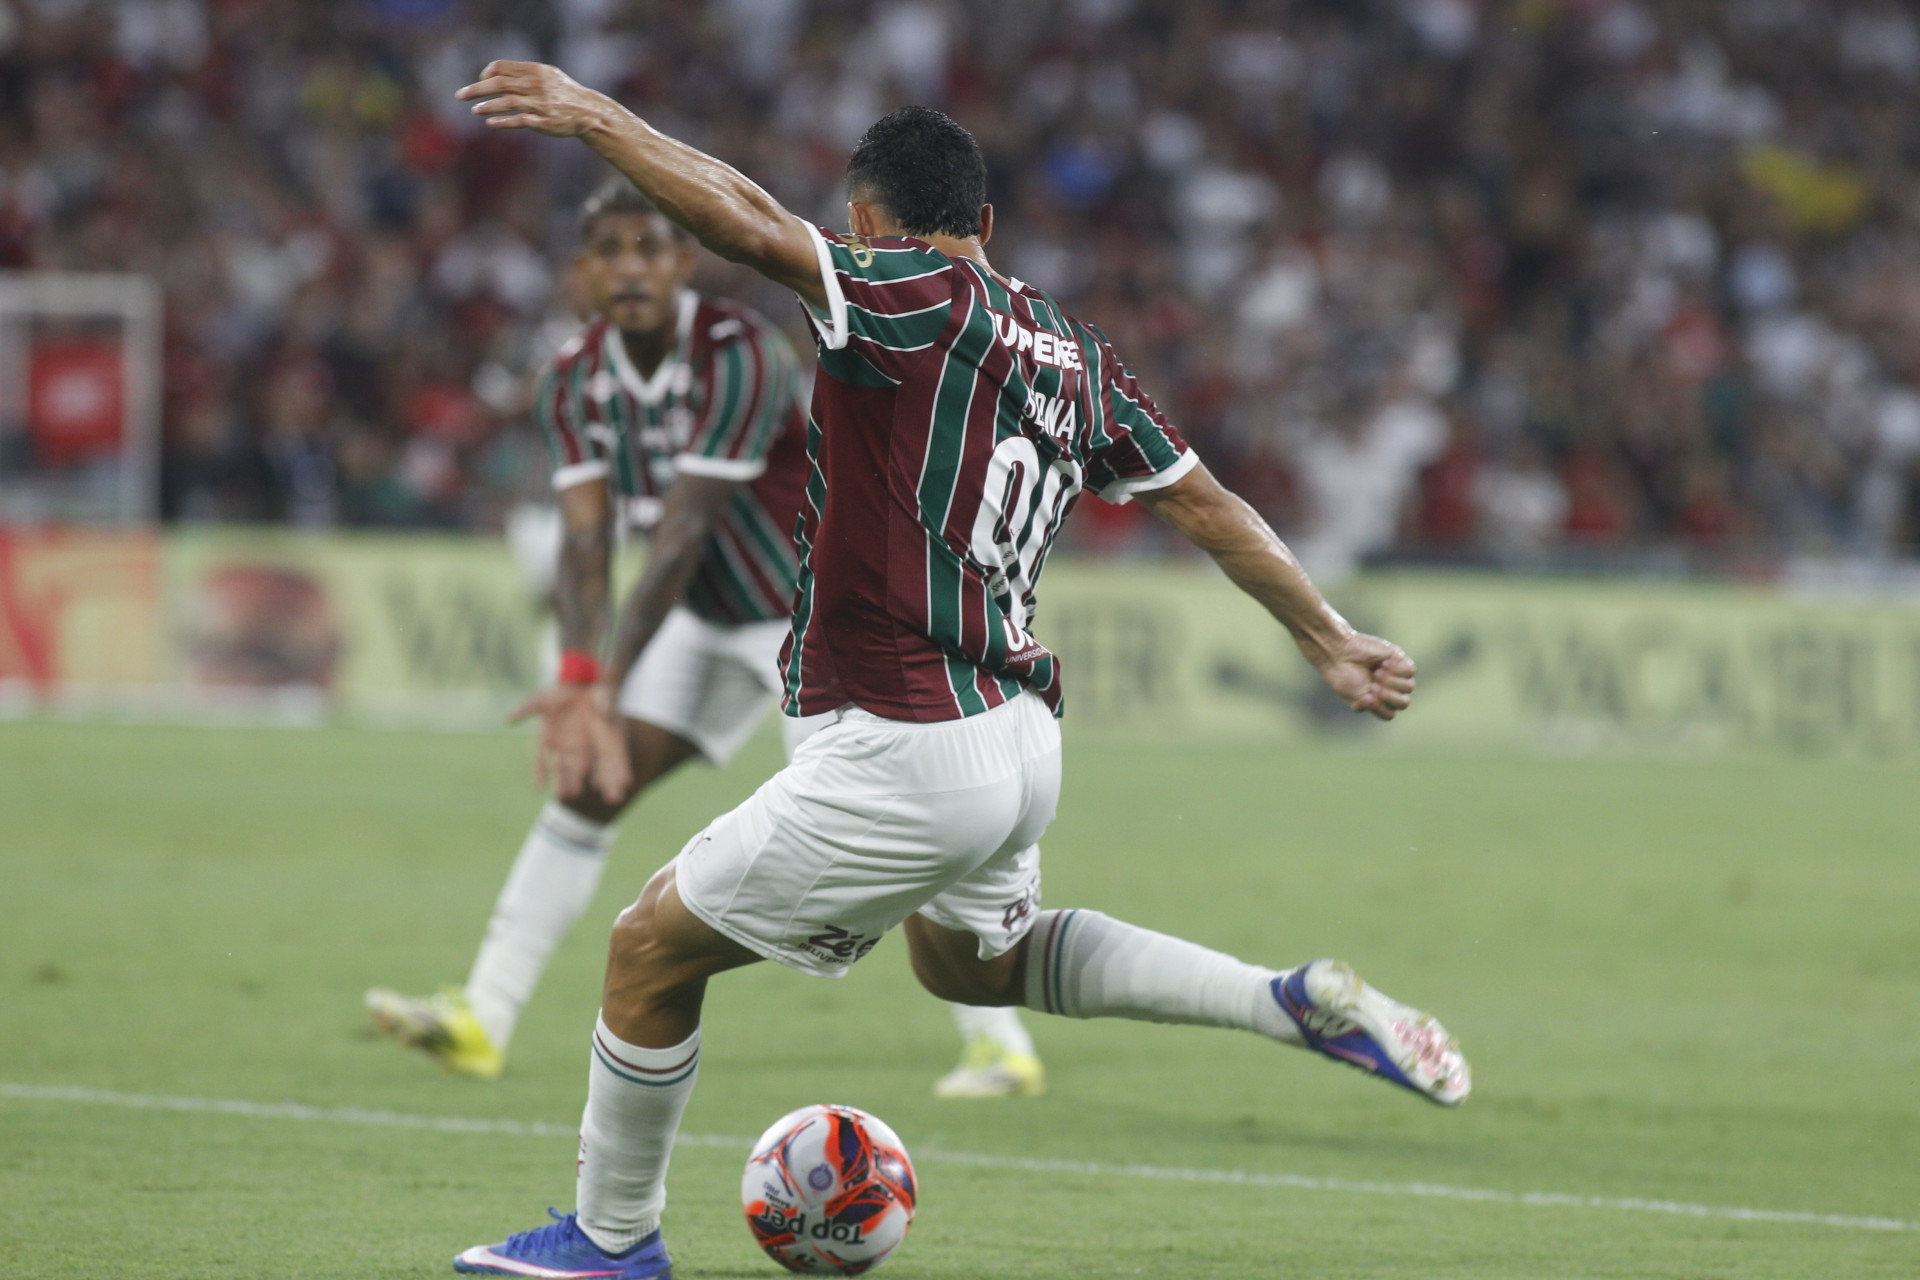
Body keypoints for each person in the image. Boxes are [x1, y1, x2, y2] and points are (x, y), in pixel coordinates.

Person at [445, 62, 1470, 1280]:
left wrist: (598, 118)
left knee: (648, 951)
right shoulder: (1075, 353)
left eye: (849, 229)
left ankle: (611, 1241)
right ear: (986, 224)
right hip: (1016, 734)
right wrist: (1326, 634)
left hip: (903, 736)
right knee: (970, 960)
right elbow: (1204, 501)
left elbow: (742, 218)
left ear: (868, 223)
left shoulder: (899, 290)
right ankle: (1288, 996)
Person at [363, 177, 1044, 1099]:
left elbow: (682, 532)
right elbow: (584, 539)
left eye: (652, 247)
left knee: (886, 814)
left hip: (815, 627)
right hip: (708, 623)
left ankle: (999, 1041)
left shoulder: (739, 354)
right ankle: (483, 1017)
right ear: (582, 273)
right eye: (611, 251)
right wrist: (576, 675)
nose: (633, 268)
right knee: (585, 791)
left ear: (686, 261)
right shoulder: (570, 378)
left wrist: (603, 683)